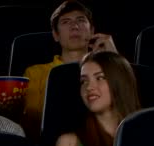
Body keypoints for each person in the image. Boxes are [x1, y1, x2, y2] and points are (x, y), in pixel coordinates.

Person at [54, 51, 140, 146]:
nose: (89, 87)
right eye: (83, 81)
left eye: (100, 78)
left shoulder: (147, 135)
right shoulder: (68, 143)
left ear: (119, 82)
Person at [23, 0, 118, 136]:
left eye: (80, 20)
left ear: (92, 31)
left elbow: (128, 105)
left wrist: (114, 59)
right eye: (66, 22)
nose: (74, 26)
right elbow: (32, 121)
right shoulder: (35, 73)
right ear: (56, 35)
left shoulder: (107, 68)